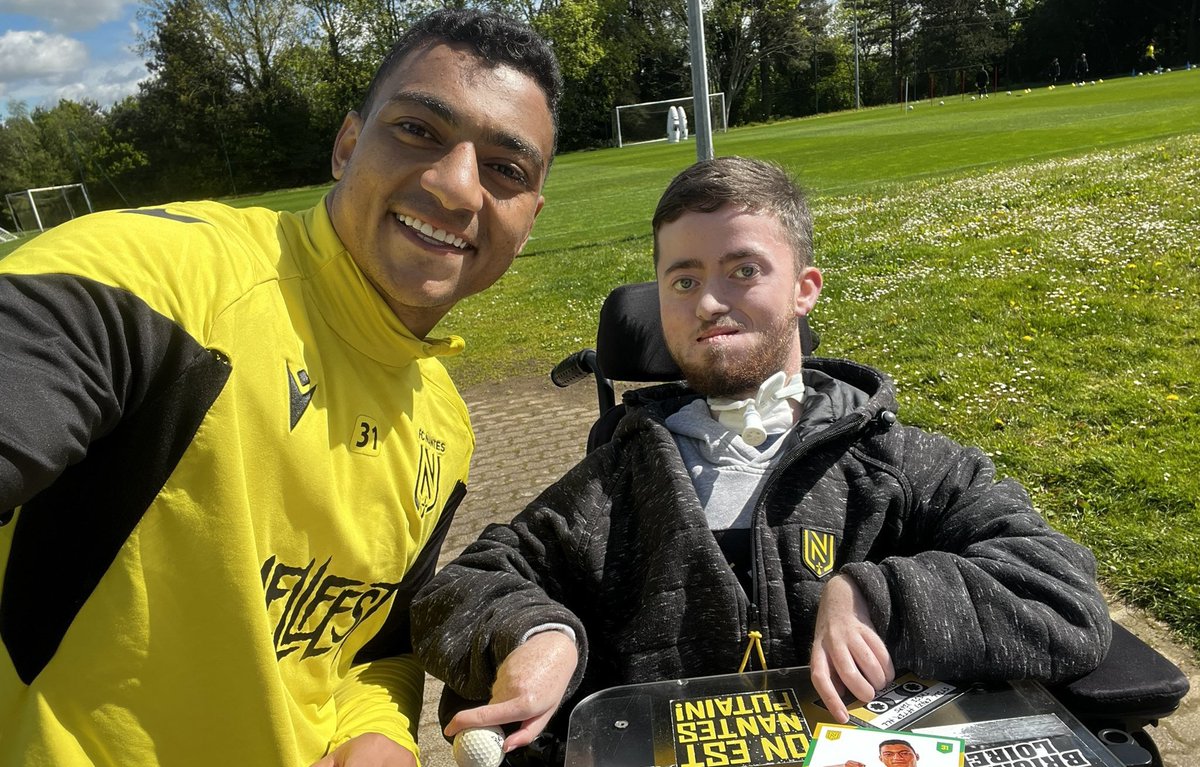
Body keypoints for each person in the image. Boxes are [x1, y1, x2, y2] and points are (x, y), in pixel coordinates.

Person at [0, 8, 560, 767]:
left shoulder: (444, 425)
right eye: (419, 130)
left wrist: (379, 735)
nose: (456, 186)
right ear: (347, 144)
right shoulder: (158, 283)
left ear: (528, 221)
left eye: (505, 169)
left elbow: (372, 648)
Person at [410, 157, 1111, 757]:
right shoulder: (616, 484)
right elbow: (462, 586)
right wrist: (538, 633)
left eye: (743, 270)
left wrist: (880, 597)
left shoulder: (897, 466)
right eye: (683, 280)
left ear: (805, 288)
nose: (709, 301)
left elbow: (1064, 593)